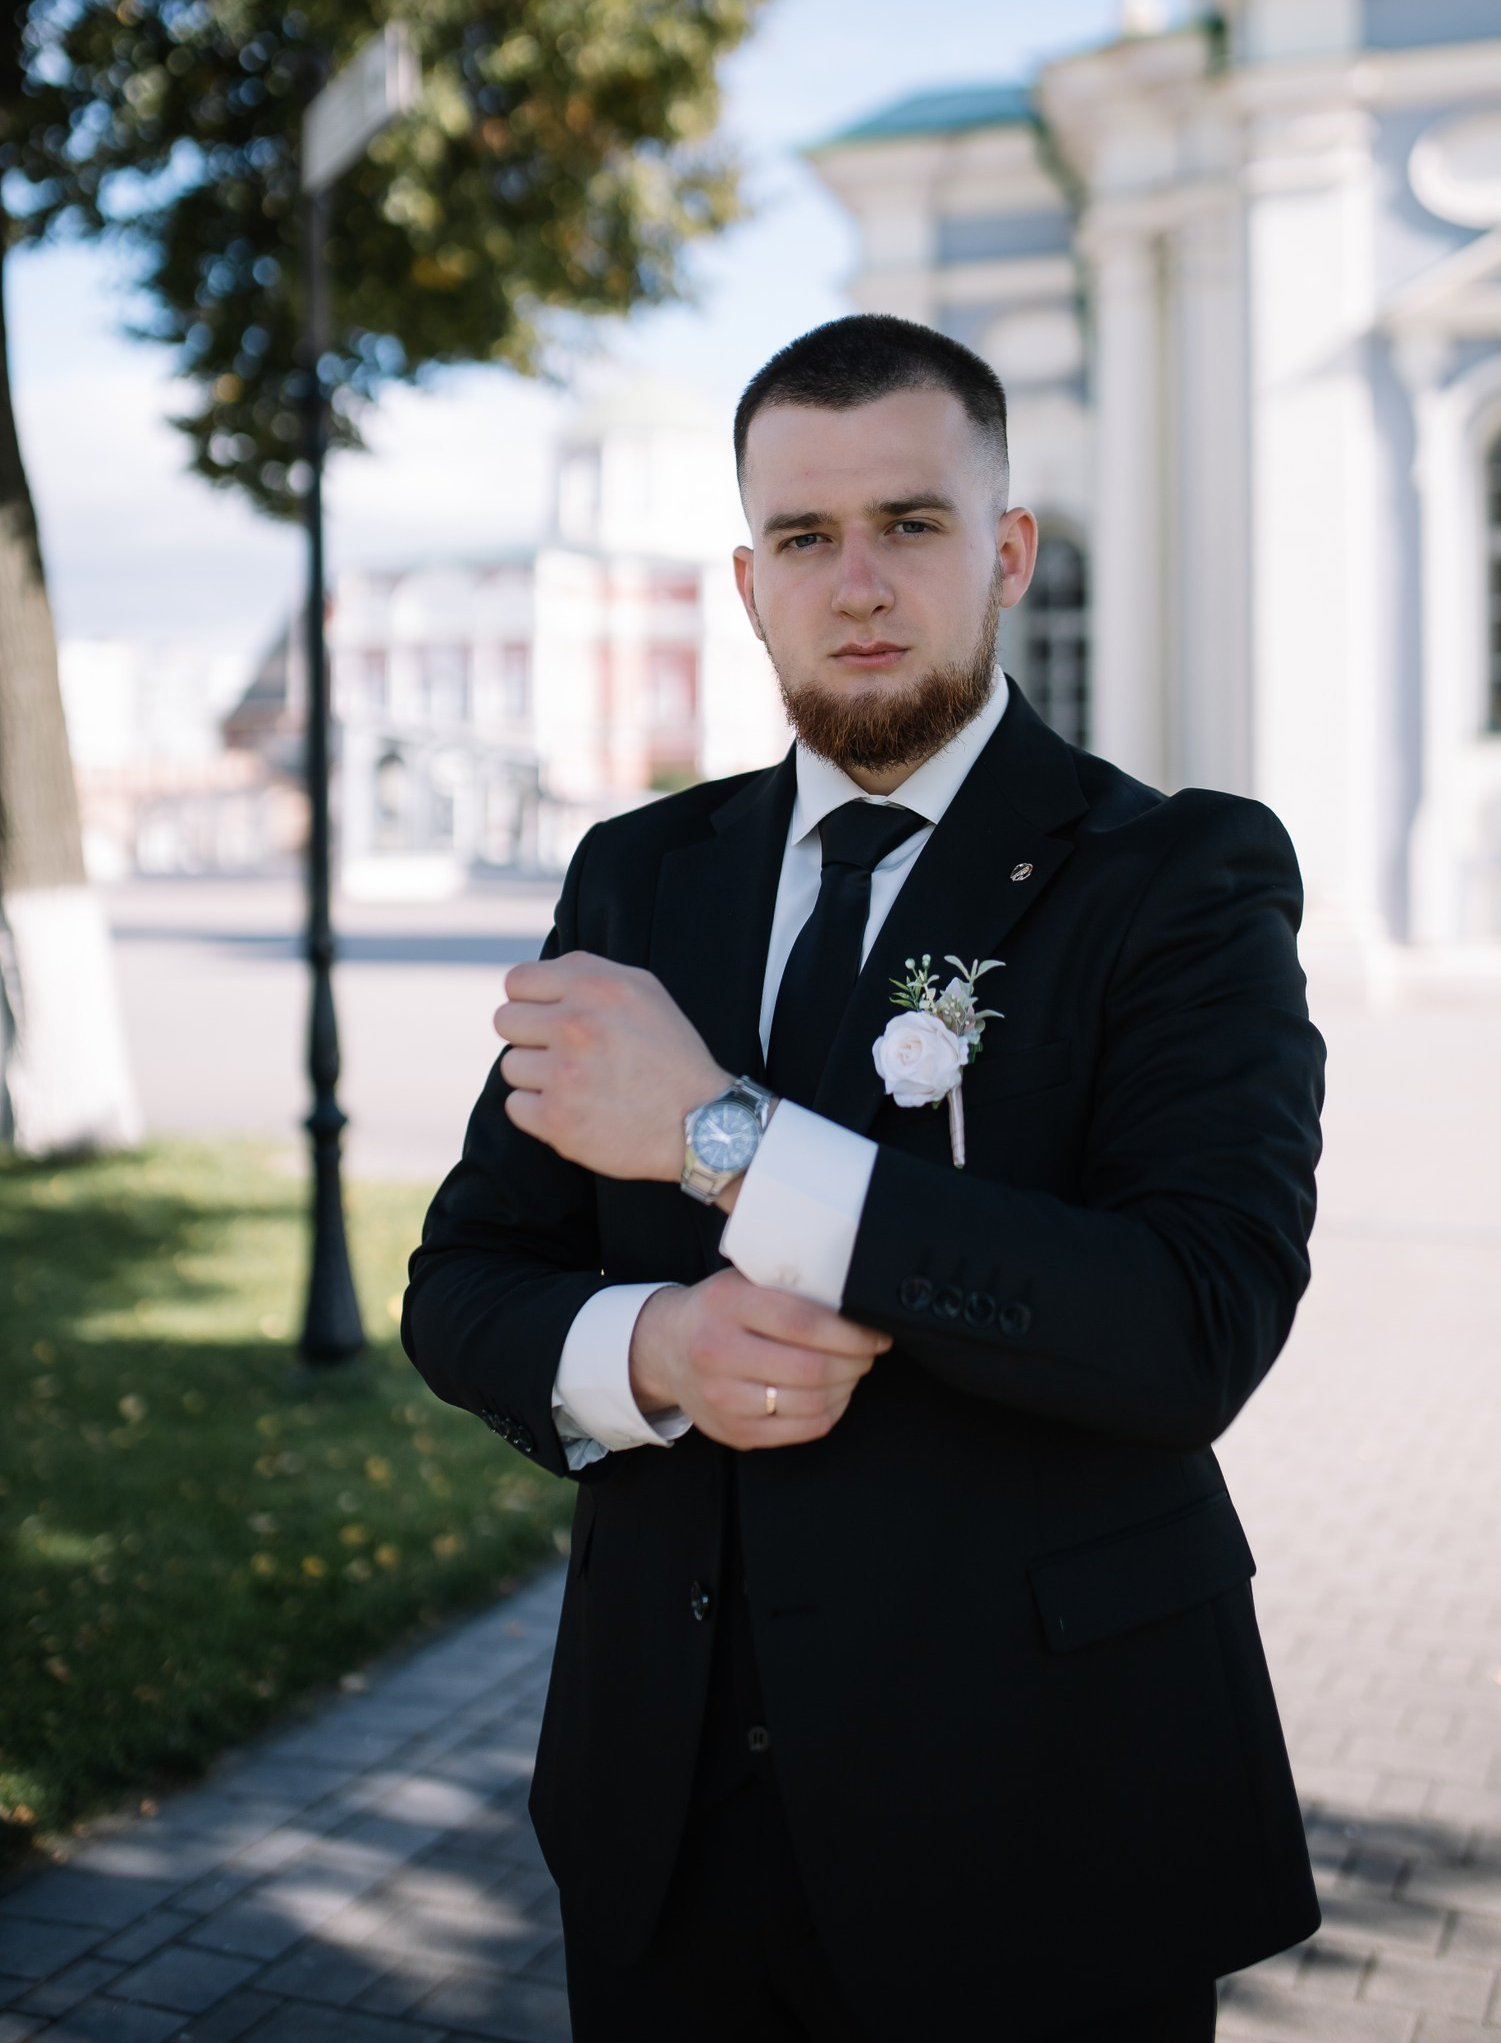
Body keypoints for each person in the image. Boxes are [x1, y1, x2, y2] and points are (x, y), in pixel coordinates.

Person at [402, 314, 1324, 2043]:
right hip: (666, 1819)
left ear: (1009, 552)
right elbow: (462, 1283)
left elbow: (1193, 1326)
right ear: (749, 586)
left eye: (911, 523)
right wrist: (652, 1351)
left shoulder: (1179, 875)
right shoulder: (637, 878)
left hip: (1042, 1817)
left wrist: (725, 1142)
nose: (861, 585)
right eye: (807, 539)